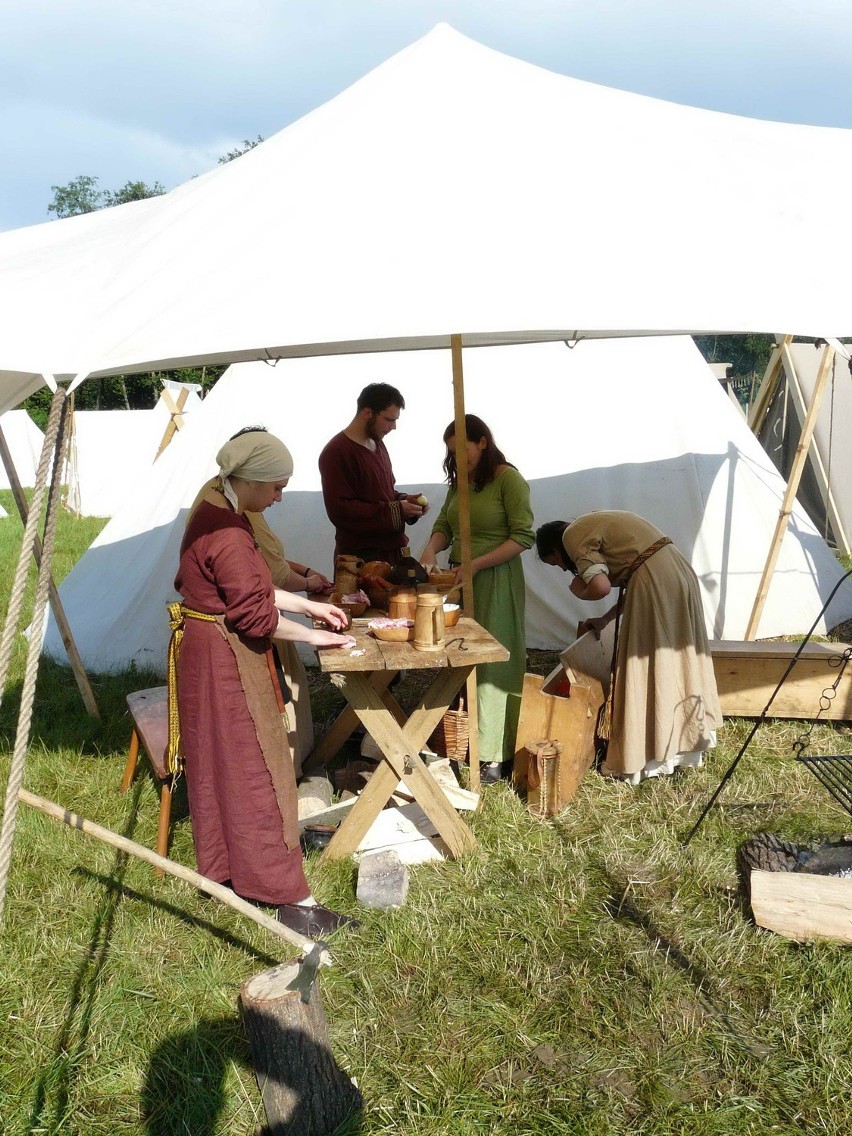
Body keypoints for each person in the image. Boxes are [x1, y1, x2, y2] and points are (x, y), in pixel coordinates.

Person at [174, 428, 358, 938]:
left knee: (222, 766)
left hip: (207, 649)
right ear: (250, 480)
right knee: (260, 768)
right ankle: (289, 897)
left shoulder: (215, 501)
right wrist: (315, 638)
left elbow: (253, 588)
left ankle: (228, 870)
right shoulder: (229, 533)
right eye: (276, 487)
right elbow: (255, 617)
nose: (279, 497)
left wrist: (306, 603)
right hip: (226, 658)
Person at [535, 510, 722, 784]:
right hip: (677, 573)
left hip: (658, 581)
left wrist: (579, 591)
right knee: (679, 661)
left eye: (556, 563)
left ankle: (652, 753)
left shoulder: (572, 535)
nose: (564, 569)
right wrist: (605, 619)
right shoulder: (595, 523)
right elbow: (637, 576)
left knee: (648, 662)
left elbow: (599, 587)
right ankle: (685, 740)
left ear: (556, 548)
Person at [420, 415, 534, 784]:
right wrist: (430, 551)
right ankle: (461, 739)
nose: (457, 459)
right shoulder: (460, 483)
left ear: (483, 442)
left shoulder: (508, 480)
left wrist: (476, 565)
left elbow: (522, 538)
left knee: (493, 662)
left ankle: (495, 753)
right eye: (451, 453)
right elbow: (443, 525)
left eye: (462, 451)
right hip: (457, 580)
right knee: (456, 655)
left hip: (495, 580)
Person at [319, 382, 427, 564]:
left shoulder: (378, 445)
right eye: (388, 419)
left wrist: (406, 502)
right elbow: (341, 510)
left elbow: (382, 494)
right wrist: (397, 510)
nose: (393, 427)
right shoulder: (336, 452)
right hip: (360, 560)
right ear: (368, 413)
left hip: (391, 553)